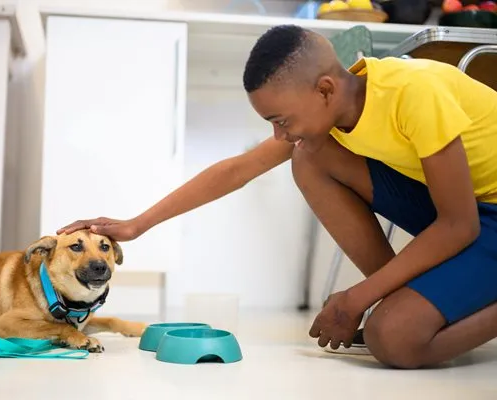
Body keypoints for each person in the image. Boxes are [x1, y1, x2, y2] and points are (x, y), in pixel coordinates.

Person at [58, 25, 497, 369]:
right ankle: (415, 299)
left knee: (394, 339)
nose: (278, 134)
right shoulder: (334, 113)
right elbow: (237, 169)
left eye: (280, 119)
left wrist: (358, 297)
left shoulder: (413, 93)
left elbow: (460, 227)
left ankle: (413, 310)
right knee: (309, 157)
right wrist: (137, 225)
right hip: (458, 210)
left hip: (476, 218)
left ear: (324, 89)